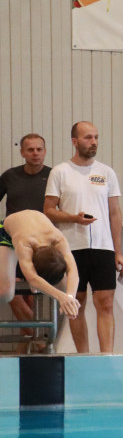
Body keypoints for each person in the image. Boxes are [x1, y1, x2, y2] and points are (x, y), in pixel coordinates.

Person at [43, 121, 123, 353]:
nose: (94, 142)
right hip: (72, 247)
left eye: (96, 137)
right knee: (76, 303)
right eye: (88, 137)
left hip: (102, 247)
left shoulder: (106, 172)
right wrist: (73, 218)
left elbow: (114, 212)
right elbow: (48, 210)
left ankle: (106, 356)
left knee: (105, 301)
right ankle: (84, 356)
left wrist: (118, 251)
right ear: (75, 141)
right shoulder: (60, 172)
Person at [0, 134, 52, 352]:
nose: (35, 153)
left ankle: (24, 352)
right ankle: (39, 338)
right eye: (30, 150)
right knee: (11, 290)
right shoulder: (10, 176)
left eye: (39, 149)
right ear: (22, 152)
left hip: (40, 243)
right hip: (12, 241)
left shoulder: (53, 176)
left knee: (31, 297)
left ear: (45, 151)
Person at [1, 210, 80, 319]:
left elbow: (73, 271)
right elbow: (32, 278)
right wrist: (61, 297)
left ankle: (40, 285)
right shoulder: (25, 243)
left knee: (65, 285)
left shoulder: (59, 239)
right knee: (5, 294)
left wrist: (70, 297)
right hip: (5, 232)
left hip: (33, 227)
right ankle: (38, 285)